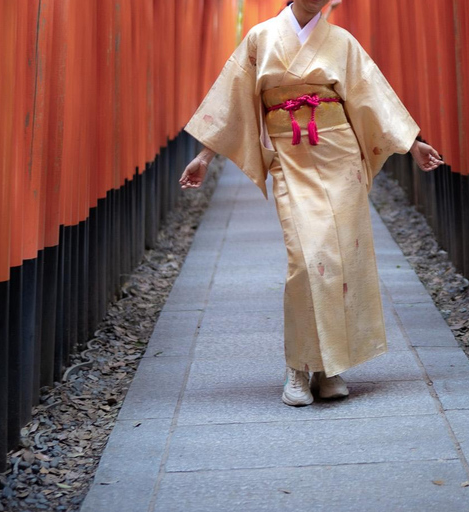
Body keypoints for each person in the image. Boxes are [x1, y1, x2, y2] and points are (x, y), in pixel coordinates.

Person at [179, 0, 442, 407]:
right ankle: (299, 369)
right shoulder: (260, 38)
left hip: (340, 156)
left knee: (337, 259)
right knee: (305, 259)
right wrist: (205, 156)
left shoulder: (341, 42)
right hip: (290, 157)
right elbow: (230, 100)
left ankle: (330, 366)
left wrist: (413, 145)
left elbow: (372, 96)